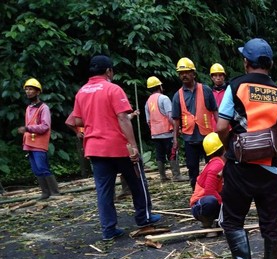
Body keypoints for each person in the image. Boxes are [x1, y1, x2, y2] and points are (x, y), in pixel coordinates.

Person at [216, 38, 277, 259]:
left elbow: (221, 127)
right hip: (270, 170)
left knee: (233, 221)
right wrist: (266, 149)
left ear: (246, 62)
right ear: (269, 64)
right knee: (271, 224)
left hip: (239, 167)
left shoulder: (236, 86)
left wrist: (232, 148)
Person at [71, 55, 162, 241]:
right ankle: (144, 218)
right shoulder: (113, 89)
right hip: (118, 146)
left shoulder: (82, 92)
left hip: (95, 148)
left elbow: (76, 120)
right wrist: (134, 146)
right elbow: (122, 118)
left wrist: (93, 118)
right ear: (108, 71)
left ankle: (108, 230)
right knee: (138, 182)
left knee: (104, 190)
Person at [172, 57, 218, 189]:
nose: (184, 75)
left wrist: (220, 131)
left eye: (187, 72)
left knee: (212, 166)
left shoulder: (206, 90)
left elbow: (215, 111)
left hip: (207, 138)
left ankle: (214, 190)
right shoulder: (178, 95)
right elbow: (176, 119)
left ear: (193, 73)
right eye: (181, 73)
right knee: (192, 168)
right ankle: (196, 192)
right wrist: (175, 139)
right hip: (189, 138)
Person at [18, 78, 60, 200]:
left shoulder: (44, 108)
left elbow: (45, 126)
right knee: (36, 169)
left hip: (39, 143)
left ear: (38, 92)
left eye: (31, 89)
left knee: (42, 167)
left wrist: (27, 128)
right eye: (26, 89)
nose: (28, 92)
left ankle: (54, 192)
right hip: (29, 143)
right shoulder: (28, 108)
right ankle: (45, 193)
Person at [145, 76, 183, 182]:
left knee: (159, 155)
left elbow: (148, 121)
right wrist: (177, 128)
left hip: (155, 134)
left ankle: (162, 176)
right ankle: (176, 175)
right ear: (159, 86)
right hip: (167, 132)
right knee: (172, 152)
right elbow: (170, 116)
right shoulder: (164, 98)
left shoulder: (148, 102)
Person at [190, 132, 225, 228]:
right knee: (212, 201)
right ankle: (208, 221)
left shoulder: (219, 162)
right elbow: (209, 191)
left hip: (204, 202)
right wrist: (224, 205)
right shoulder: (217, 166)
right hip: (200, 206)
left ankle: (220, 220)